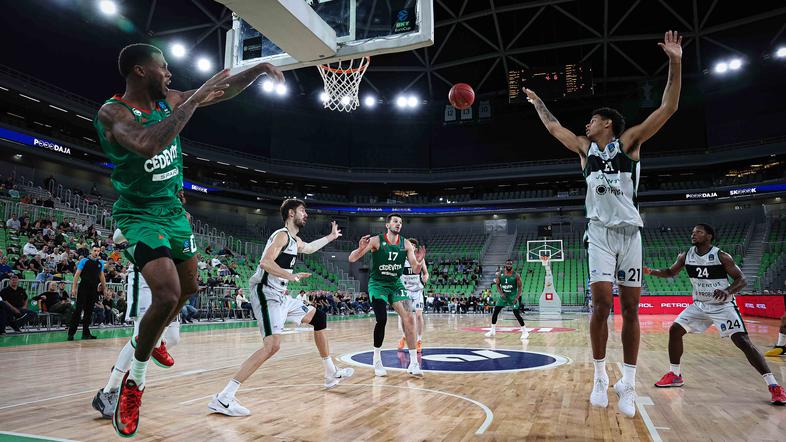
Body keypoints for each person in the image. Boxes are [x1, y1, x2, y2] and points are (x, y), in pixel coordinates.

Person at [94, 42, 283, 437]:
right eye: (163, 68)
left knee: (190, 287)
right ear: (140, 72)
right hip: (139, 214)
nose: (170, 74)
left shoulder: (171, 100)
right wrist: (191, 102)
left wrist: (260, 69)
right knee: (165, 294)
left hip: (173, 211)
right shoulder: (113, 113)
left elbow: (223, 90)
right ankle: (135, 384)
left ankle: (153, 338)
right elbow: (149, 143)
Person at [525, 31, 683, 417]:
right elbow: (553, 127)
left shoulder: (629, 143)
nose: (588, 123)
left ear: (608, 124)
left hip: (631, 233)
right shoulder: (585, 149)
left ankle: (626, 382)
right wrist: (539, 103)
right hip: (598, 232)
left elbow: (668, 108)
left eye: (593, 119)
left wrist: (675, 62)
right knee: (600, 305)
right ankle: (599, 375)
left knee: (631, 308)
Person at [209, 199, 352, 417]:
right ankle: (224, 397)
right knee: (272, 346)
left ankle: (330, 373)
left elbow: (310, 248)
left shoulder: (294, 239)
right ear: (291, 213)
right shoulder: (281, 235)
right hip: (266, 293)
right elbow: (265, 262)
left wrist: (331, 237)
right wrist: (290, 275)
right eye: (303, 211)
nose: (306, 214)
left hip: (281, 295)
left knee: (319, 317)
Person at [644, 224, 786, 405]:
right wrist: (651, 272)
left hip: (723, 305)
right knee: (675, 330)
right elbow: (670, 272)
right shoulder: (686, 255)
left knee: (743, 342)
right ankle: (675, 374)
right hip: (700, 305)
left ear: (709, 236)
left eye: (699, 232)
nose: (694, 234)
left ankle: (774, 386)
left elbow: (741, 279)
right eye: (693, 231)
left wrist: (728, 291)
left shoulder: (722, 256)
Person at [92, 259, 182, 419]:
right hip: (145, 275)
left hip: (170, 281)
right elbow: (119, 235)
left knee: (173, 338)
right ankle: (108, 391)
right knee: (141, 337)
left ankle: (125, 367)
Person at [349, 213, 427, 377]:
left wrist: (419, 261)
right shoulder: (376, 240)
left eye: (400, 222)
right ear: (387, 225)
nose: (399, 224)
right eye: (395, 221)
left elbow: (416, 269)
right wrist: (360, 247)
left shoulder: (406, 243)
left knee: (410, 318)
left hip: (395, 284)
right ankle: (377, 359)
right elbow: (352, 258)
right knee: (382, 319)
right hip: (378, 284)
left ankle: (413, 363)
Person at [397, 238, 429, 353]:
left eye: (414, 245)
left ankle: (419, 340)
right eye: (410, 245)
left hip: (417, 291)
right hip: (405, 291)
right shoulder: (400, 259)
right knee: (403, 316)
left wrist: (425, 277)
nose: (412, 247)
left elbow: (426, 273)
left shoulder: (420, 259)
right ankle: (404, 337)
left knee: (419, 315)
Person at [68, 246, 107, 340]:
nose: (97, 252)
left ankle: (86, 333)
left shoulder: (100, 263)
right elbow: (77, 275)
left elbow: (102, 277)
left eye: (98, 251)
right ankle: (71, 333)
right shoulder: (84, 261)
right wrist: (74, 288)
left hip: (93, 289)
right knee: (78, 310)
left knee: (89, 312)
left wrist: (104, 289)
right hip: (83, 288)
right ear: (91, 251)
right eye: (95, 251)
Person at [484, 259, 528, 340]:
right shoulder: (500, 274)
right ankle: (492, 330)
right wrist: (501, 293)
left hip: (513, 297)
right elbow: (497, 285)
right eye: (507, 264)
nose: (509, 265)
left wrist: (517, 297)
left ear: (512, 265)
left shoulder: (516, 275)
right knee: (495, 312)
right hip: (504, 296)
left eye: (510, 264)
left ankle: (525, 331)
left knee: (516, 313)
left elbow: (520, 288)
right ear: (505, 265)